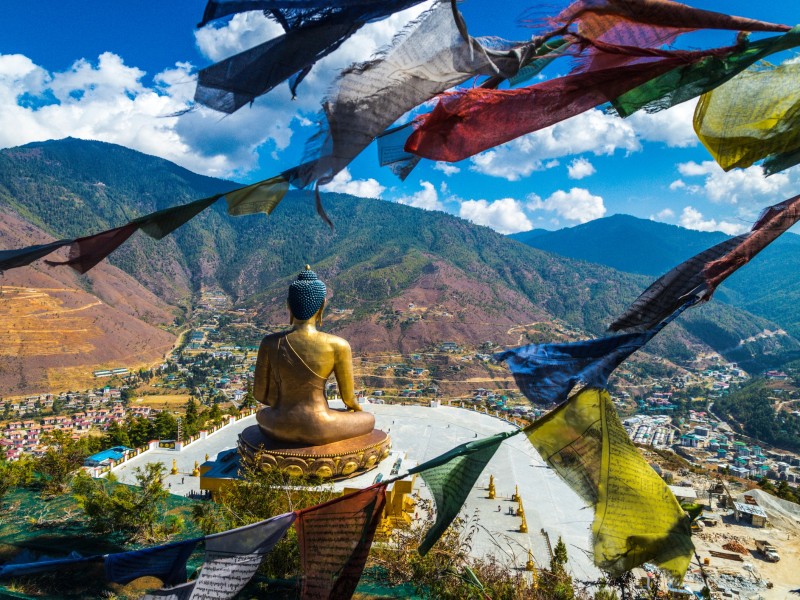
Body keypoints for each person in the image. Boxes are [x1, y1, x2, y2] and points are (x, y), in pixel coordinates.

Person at [254, 266, 375, 446]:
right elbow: (349, 399)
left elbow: (260, 394)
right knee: (369, 419)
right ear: (322, 305)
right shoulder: (338, 345)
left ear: (288, 305)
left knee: (260, 415)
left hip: (280, 424)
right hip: (320, 425)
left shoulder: (270, 342)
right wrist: (356, 412)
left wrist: (283, 407)